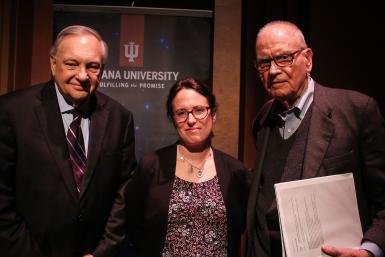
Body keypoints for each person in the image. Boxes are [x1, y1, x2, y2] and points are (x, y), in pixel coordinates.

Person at [246, 20, 385, 257]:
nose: (273, 71)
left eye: (283, 58)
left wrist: (370, 250)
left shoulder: (356, 110)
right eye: (264, 63)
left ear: (308, 59)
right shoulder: (262, 119)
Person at [0, 25, 136, 257]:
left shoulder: (119, 118)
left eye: (92, 66)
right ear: (53, 64)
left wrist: (102, 251)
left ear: (102, 70)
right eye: (72, 64)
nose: (82, 76)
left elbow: (125, 191)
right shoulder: (11, 112)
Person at [124, 78, 249, 257]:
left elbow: (240, 226)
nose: (191, 120)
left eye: (199, 110)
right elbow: (133, 225)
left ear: (213, 114)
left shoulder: (235, 172)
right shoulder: (152, 166)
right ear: (173, 119)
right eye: (181, 113)